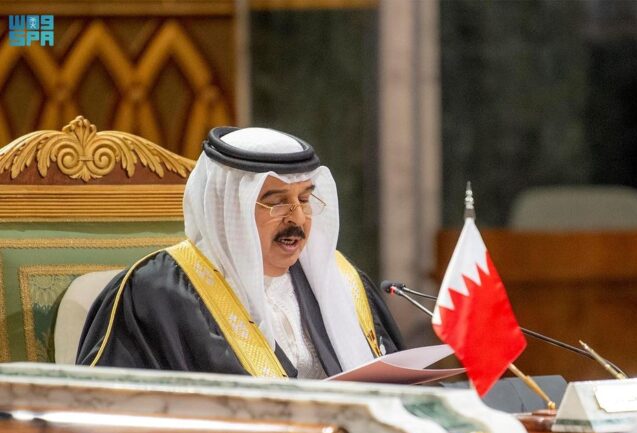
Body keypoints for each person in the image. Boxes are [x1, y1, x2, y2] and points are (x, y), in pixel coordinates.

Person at [77, 127, 404, 378]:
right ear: (227, 210)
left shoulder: (340, 281)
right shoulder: (156, 294)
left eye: (304, 199)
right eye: (276, 203)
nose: (298, 219)